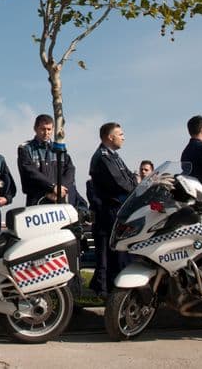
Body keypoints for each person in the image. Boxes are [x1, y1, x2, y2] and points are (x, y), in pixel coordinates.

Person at [89, 122, 136, 297]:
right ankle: (108, 293)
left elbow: (131, 177)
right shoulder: (103, 157)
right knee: (111, 256)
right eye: (120, 134)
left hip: (118, 211)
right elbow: (122, 183)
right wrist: (135, 186)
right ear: (110, 137)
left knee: (120, 255)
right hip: (109, 212)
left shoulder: (114, 156)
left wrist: (135, 183)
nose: (123, 137)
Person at [17, 114, 75, 205]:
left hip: (58, 199)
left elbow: (70, 170)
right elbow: (30, 173)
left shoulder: (60, 149)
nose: (46, 132)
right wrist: (52, 187)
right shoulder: (25, 149)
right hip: (37, 200)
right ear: (35, 129)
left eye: (49, 129)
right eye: (43, 129)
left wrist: (60, 189)